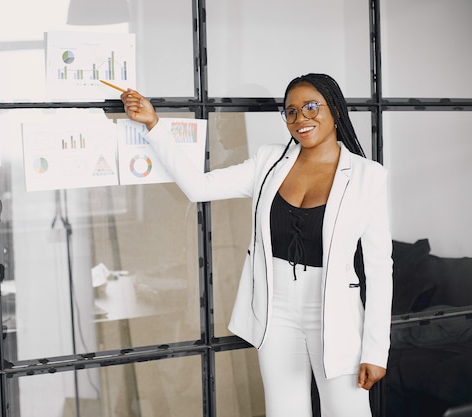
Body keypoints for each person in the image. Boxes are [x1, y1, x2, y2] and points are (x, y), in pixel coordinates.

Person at [121, 73, 393, 417]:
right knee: (284, 412)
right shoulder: (268, 162)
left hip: (334, 314)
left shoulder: (368, 176)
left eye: (311, 107)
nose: (301, 118)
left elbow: (380, 268)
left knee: (347, 411)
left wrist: (375, 349)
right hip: (275, 311)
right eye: (291, 111)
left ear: (335, 110)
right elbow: (198, 188)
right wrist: (154, 125)